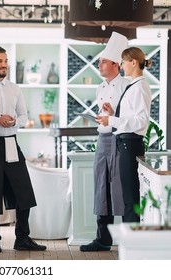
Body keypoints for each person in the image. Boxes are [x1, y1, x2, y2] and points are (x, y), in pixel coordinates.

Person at [0, 46, 46, 253]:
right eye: (0, 61)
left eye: (6, 61)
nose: (4, 65)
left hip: (11, 142)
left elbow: (23, 115)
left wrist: (13, 122)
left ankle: (22, 238)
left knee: (24, 192)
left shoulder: (15, 88)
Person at [80, 32, 130, 252]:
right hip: (103, 138)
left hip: (120, 139)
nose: (99, 64)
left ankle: (127, 239)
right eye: (99, 61)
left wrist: (113, 112)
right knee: (101, 186)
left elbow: (128, 115)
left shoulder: (127, 85)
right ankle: (103, 239)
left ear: (116, 65)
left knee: (119, 188)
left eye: (103, 62)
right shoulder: (99, 88)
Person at [97, 47, 152, 224]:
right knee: (128, 195)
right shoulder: (134, 85)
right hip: (126, 143)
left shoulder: (140, 86)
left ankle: (131, 244)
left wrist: (111, 122)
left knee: (130, 197)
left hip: (130, 144)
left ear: (133, 62)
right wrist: (113, 114)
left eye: (123, 62)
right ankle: (130, 243)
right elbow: (131, 116)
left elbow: (141, 121)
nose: (121, 66)